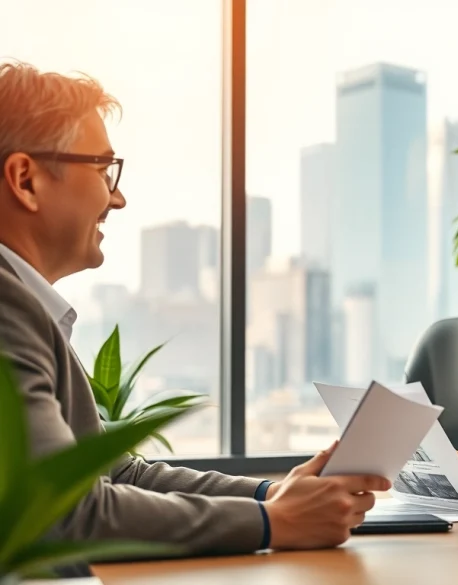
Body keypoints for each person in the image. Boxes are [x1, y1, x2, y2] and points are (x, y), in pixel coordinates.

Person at [0, 61, 390, 558]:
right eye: (103, 170)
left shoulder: (24, 302)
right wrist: (274, 522)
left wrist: (271, 496)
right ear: (25, 179)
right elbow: (58, 511)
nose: (117, 197)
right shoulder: (7, 306)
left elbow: (118, 475)